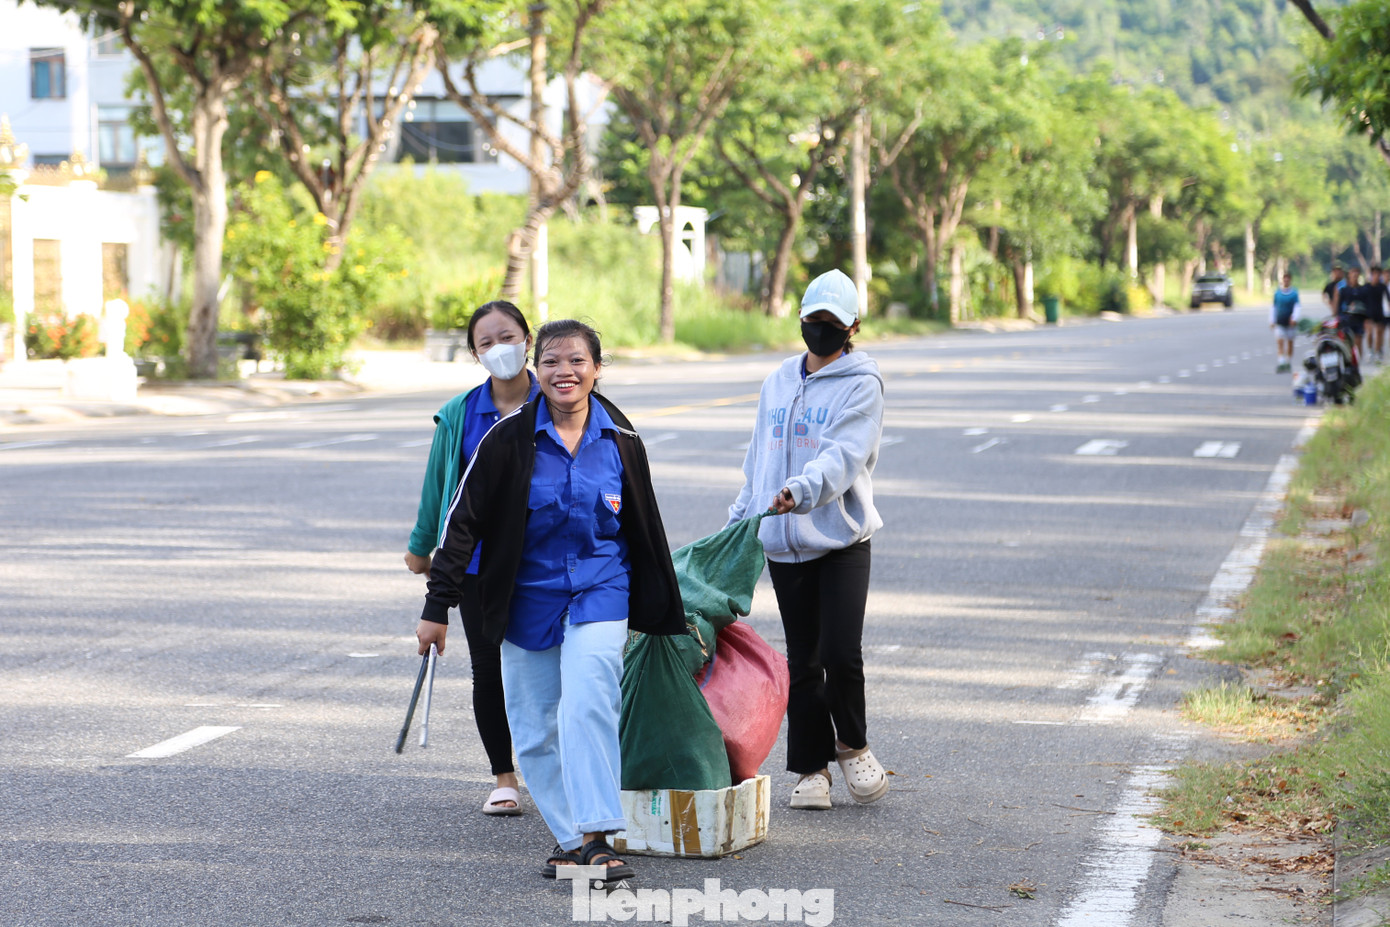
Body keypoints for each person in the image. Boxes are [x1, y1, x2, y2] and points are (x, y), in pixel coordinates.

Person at [415, 319, 685, 884]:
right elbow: (461, 524)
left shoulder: (621, 437)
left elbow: (644, 524)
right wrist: (436, 608)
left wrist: (660, 602)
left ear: (597, 369)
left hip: (600, 588)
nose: (565, 372)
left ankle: (597, 836)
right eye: (553, 361)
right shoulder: (506, 440)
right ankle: (570, 842)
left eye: (578, 361)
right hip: (525, 598)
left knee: (589, 700)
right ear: (538, 371)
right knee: (533, 727)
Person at [726, 268, 887, 811]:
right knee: (804, 660)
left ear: (853, 326)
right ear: (800, 321)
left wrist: (802, 488)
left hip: (840, 538)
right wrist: (739, 521)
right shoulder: (777, 381)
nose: (821, 330)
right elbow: (757, 462)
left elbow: (845, 454)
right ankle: (812, 769)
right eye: (813, 321)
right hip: (783, 541)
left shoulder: (863, 383)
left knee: (842, 652)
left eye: (832, 323)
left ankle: (853, 745)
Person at [406, 300, 537, 816]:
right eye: (486, 343)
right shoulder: (461, 413)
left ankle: (559, 765)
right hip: (476, 561)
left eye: (508, 337)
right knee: (489, 666)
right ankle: (504, 776)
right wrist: (422, 549)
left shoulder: (557, 396)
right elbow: (438, 484)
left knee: (551, 665)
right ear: (475, 354)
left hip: (544, 558)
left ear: (528, 338)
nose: (499, 349)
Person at [1334, 267, 1369, 358]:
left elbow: (1367, 305)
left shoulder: (1363, 290)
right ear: (1349, 275)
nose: (1354, 275)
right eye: (1353, 272)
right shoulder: (1344, 290)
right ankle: (1349, 361)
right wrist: (1338, 317)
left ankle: (1358, 362)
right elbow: (1339, 305)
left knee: (1358, 341)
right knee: (1347, 341)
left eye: (1356, 272)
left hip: (1359, 319)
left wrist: (1367, 320)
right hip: (1347, 319)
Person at [1270, 273, 1301, 373]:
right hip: (1280, 322)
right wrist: (1272, 320)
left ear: (1290, 280)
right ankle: (1281, 362)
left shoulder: (1294, 293)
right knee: (1280, 342)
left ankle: (1288, 361)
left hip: (1290, 323)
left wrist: (1294, 318)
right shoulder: (1277, 293)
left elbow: (1297, 307)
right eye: (1284, 280)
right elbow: (1274, 307)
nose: (1286, 281)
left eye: (1288, 280)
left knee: (1290, 342)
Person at [1367, 266, 1387, 363]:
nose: (1376, 276)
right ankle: (1370, 350)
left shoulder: (1382, 287)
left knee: (1379, 333)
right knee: (1370, 333)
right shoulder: (1367, 287)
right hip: (1369, 313)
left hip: (1380, 313)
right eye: (1374, 274)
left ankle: (1378, 351)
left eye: (1378, 274)